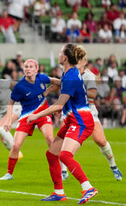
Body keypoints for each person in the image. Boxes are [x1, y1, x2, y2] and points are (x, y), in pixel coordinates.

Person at [27, 44, 98, 204]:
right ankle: (59, 192)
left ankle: (88, 188)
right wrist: (51, 85)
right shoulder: (69, 73)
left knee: (65, 156)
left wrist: (35, 115)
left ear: (65, 57)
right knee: (51, 154)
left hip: (81, 121)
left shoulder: (71, 75)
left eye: (60, 52)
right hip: (73, 119)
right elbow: (65, 86)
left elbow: (58, 105)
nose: (59, 54)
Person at [60, 57, 123, 181]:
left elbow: (93, 95)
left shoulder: (88, 76)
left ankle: (113, 166)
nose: (76, 62)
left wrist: (77, 91)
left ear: (84, 62)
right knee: (63, 140)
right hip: (71, 112)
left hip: (88, 112)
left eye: (79, 60)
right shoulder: (68, 73)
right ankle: (63, 171)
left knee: (101, 141)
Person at [0, 59, 59, 181]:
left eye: (31, 66)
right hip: (26, 117)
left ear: (36, 69)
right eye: (26, 66)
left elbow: (59, 83)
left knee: (50, 139)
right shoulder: (19, 86)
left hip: (43, 114)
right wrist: (9, 120)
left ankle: (62, 170)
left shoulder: (42, 78)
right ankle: (9, 173)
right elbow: (11, 104)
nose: (28, 69)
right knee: (15, 146)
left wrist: (48, 90)